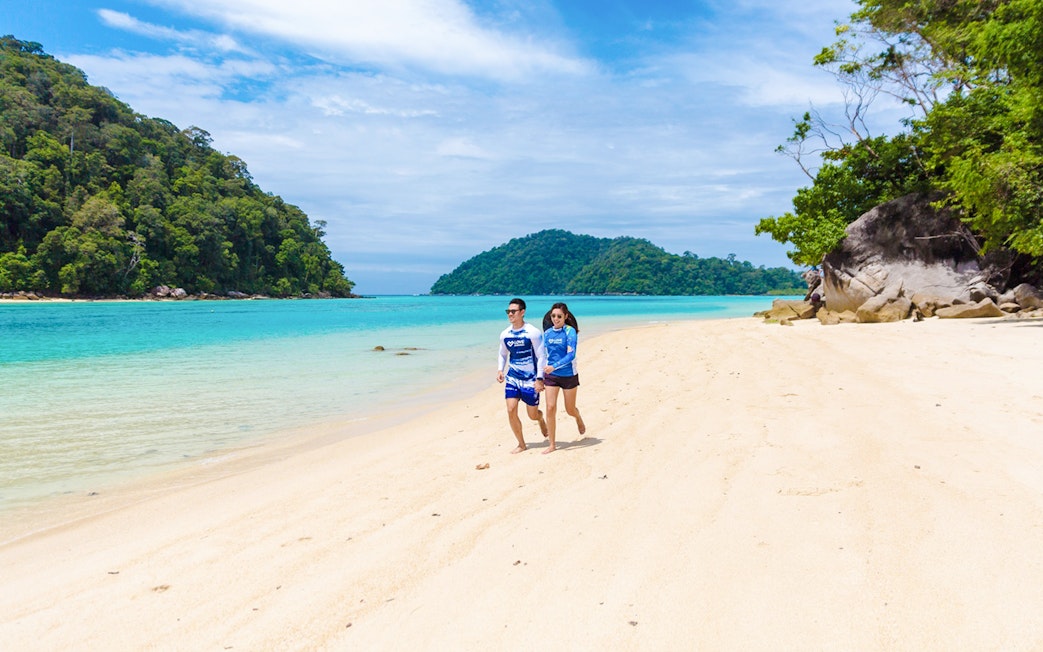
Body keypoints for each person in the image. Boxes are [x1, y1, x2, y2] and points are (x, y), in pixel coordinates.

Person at [496, 298, 548, 454]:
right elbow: (502, 353)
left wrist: (540, 379)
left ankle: (540, 419)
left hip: (530, 379)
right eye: (508, 311)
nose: (510, 314)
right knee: (511, 410)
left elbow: (541, 356)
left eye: (513, 311)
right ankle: (521, 443)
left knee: (532, 415)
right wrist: (500, 369)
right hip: (512, 377)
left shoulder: (533, 332)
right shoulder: (505, 334)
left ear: (522, 312)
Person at [541, 302, 586, 454]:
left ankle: (578, 417)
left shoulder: (570, 331)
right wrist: (539, 377)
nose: (556, 319)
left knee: (570, 409)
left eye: (559, 316)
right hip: (551, 376)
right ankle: (552, 444)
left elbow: (571, 355)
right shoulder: (547, 334)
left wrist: (555, 366)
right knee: (550, 407)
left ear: (566, 316)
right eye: (553, 316)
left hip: (568, 375)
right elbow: (542, 356)